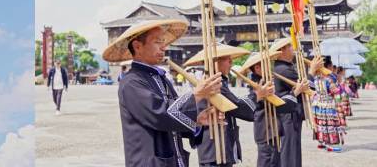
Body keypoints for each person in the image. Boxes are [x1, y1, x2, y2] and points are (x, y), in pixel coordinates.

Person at [103, 20, 225, 167]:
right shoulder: (131, 82)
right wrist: (197, 95)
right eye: (157, 42)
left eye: (164, 42)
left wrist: (197, 121)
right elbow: (160, 115)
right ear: (137, 46)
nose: (164, 47)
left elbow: (173, 116)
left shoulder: (162, 79)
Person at [183, 44, 270, 167]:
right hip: (214, 147)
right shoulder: (212, 83)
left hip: (220, 146)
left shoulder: (219, 81)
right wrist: (257, 95)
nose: (231, 62)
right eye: (226, 58)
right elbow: (235, 106)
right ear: (214, 62)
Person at [269, 38, 322, 167]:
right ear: (282, 50)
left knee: (293, 151)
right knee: (290, 153)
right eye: (290, 47)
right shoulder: (283, 69)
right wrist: (311, 71)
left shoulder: (286, 67)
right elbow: (307, 88)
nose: (293, 50)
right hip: (287, 116)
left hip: (291, 115)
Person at [239, 51, 296, 167]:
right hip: (267, 132)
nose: (270, 68)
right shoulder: (259, 85)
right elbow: (280, 105)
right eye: (266, 64)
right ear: (258, 68)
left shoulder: (265, 82)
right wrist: (295, 93)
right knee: (268, 162)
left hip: (271, 131)